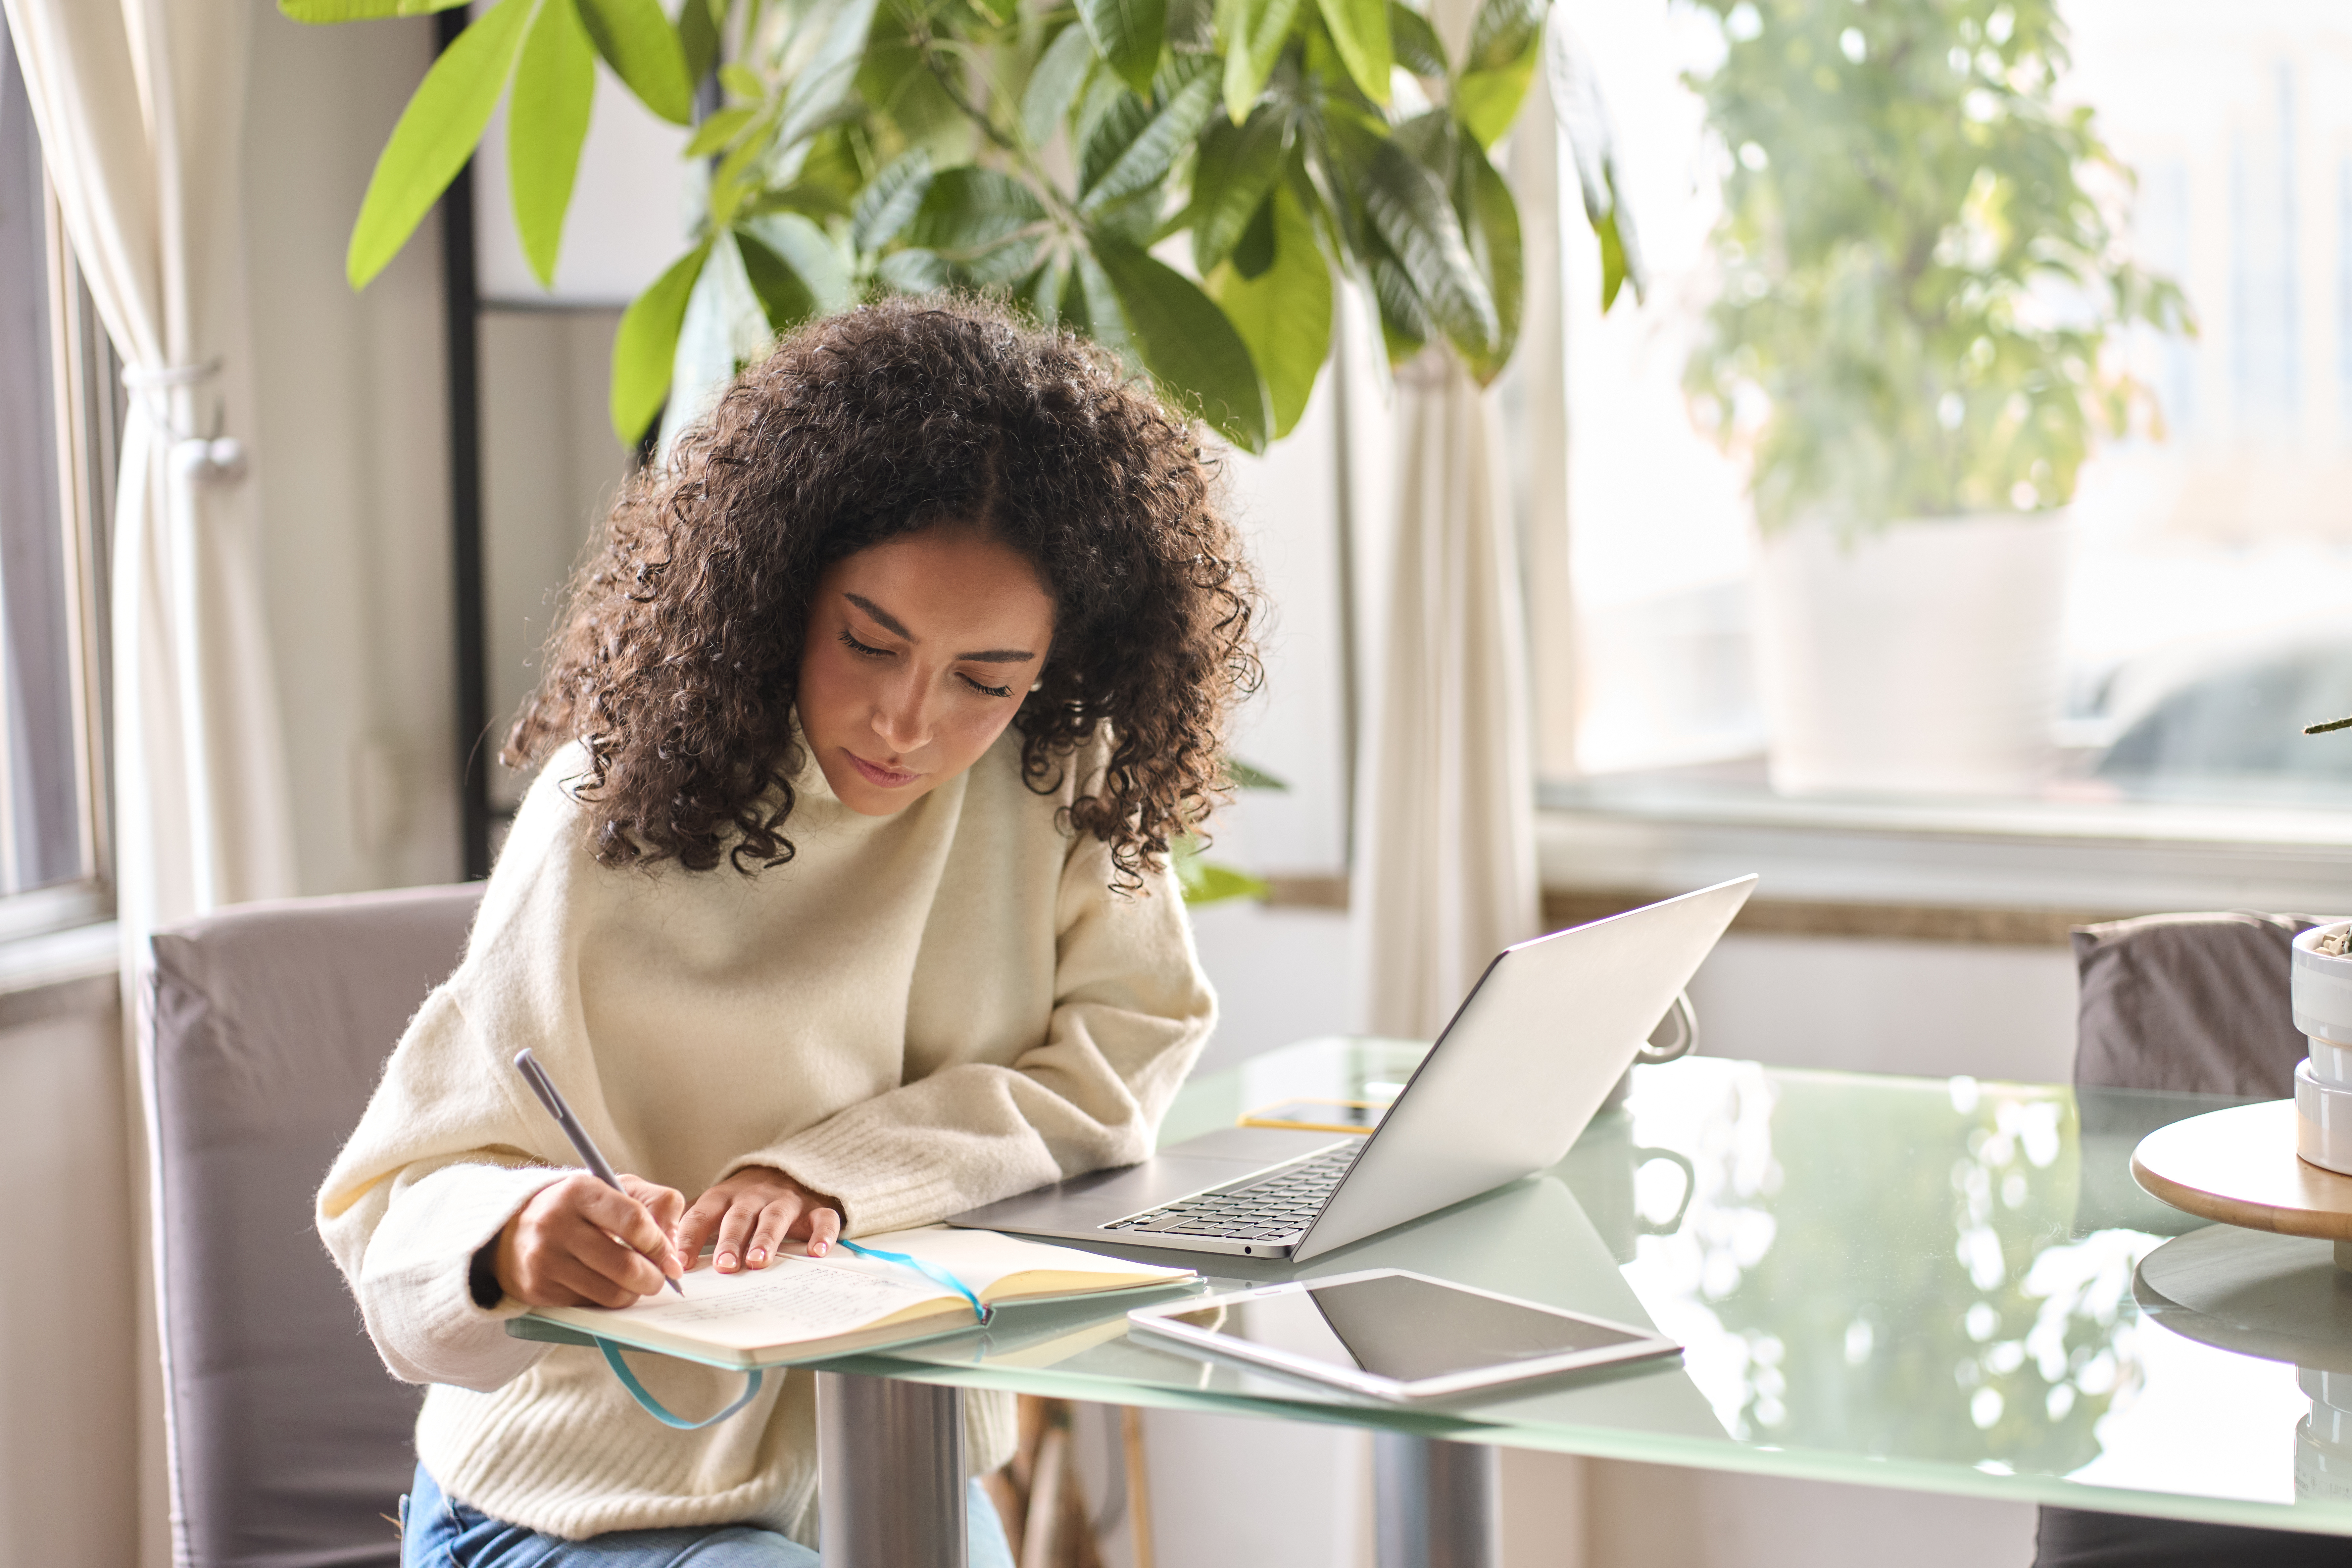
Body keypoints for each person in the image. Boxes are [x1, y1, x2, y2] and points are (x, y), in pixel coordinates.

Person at [316, 296, 1261, 1566]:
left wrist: (830, 1175)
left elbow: (1122, 1065)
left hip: (891, 1470)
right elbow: (393, 1210)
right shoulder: (610, 805)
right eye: (869, 642)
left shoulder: (1052, 782)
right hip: (566, 1505)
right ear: (779, 585)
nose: (907, 722)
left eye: (987, 679)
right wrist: (515, 1238)